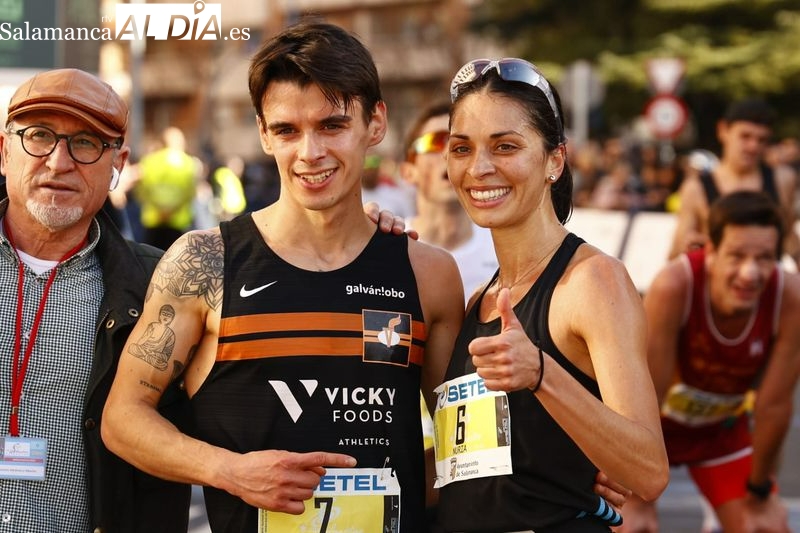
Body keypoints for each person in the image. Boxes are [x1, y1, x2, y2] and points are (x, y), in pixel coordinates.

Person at [101, 21, 465, 533]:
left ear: (375, 123)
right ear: (263, 134)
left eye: (332, 125)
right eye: (287, 130)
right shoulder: (205, 263)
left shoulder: (428, 274)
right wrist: (231, 472)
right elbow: (123, 419)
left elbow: (462, 451)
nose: (310, 153)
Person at [431, 57, 669, 532]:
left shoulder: (594, 281)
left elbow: (647, 472)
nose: (479, 168)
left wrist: (541, 373)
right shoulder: (480, 296)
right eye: (462, 148)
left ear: (554, 161)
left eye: (505, 146)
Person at [0, 68, 191, 531]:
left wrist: (351, 229)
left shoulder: (162, 285)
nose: (59, 161)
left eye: (86, 142)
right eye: (39, 136)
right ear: (4, 152)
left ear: (118, 164)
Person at [620, 191, 800, 533]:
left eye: (764, 258)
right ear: (711, 251)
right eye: (736, 256)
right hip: (656, 430)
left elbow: (774, 407)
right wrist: (635, 497)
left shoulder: (790, 297)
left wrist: (760, 493)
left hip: (721, 431)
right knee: (629, 526)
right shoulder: (675, 285)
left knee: (765, 526)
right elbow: (644, 396)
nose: (749, 274)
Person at [668, 98, 800, 268]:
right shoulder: (696, 188)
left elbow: (788, 236)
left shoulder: (782, 180)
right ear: (723, 131)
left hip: (765, 284)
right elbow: (675, 255)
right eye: (745, 136)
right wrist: (689, 250)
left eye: (761, 140)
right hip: (717, 287)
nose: (753, 146)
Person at [400, 100, 498, 300]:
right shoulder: (389, 247)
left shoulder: (503, 251)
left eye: (462, 146)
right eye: (435, 142)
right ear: (408, 172)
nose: (448, 154)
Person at [134, 126, 201, 250]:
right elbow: (190, 193)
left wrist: (160, 210)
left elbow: (142, 190)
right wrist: (172, 210)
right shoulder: (188, 163)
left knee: (150, 260)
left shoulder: (149, 161)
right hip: (178, 221)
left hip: (153, 219)